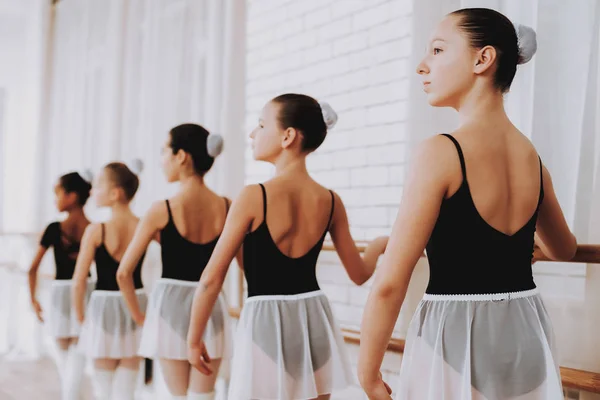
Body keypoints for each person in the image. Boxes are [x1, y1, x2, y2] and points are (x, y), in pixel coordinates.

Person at [357, 8, 577, 400]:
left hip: (455, 337)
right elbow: (565, 248)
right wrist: (525, 252)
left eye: (438, 50)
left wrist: (368, 372)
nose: (422, 67)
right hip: (525, 332)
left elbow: (391, 282)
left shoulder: (440, 153)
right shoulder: (532, 160)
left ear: (483, 59)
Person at [187, 93, 388, 400]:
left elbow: (211, 278)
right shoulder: (331, 201)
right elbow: (359, 274)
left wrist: (193, 338)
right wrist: (378, 246)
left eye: (261, 124)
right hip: (314, 320)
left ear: (288, 136)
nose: (253, 134)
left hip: (264, 324)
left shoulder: (253, 196)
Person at [117, 124, 233, 400]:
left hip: (170, 309)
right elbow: (244, 266)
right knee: (204, 396)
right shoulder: (228, 207)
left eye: (164, 151)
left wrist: (140, 319)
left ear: (181, 156)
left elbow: (124, 273)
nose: (161, 160)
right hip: (212, 308)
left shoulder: (161, 210)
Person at [73, 160, 147, 400]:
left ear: (115, 193)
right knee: (127, 388)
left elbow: (79, 279)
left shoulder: (96, 230)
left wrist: (82, 318)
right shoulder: (144, 226)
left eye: (96, 186)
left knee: (103, 389)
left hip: (103, 308)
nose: (92, 191)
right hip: (136, 303)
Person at [28, 171, 93, 400]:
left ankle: (70, 394)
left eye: (57, 194)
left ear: (72, 196)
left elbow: (32, 268)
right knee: (78, 347)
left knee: (64, 350)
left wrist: (33, 300)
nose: (55, 200)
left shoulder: (54, 229)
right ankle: (71, 394)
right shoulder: (94, 228)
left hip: (61, 293)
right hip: (86, 291)